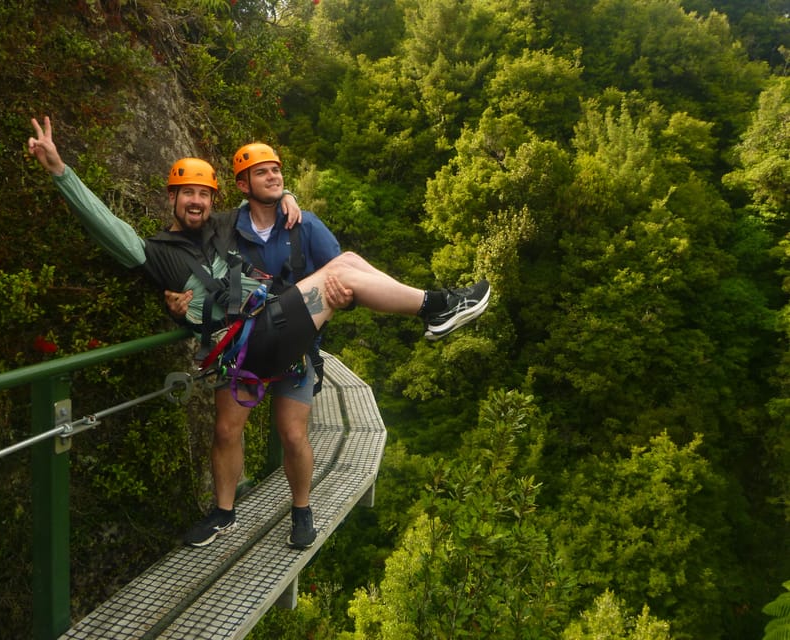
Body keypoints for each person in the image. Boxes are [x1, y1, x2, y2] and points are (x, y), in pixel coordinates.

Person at [27, 115, 491, 549]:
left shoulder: (222, 228)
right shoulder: (154, 253)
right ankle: (436, 307)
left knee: (344, 267)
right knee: (228, 429)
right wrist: (60, 172)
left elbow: (260, 197)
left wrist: (288, 196)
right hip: (248, 340)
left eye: (204, 194)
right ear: (171, 199)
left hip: (266, 331)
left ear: (214, 201)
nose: (197, 202)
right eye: (187, 194)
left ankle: (434, 307)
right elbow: (107, 226)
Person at [165, 142, 344, 549]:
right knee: (226, 430)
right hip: (245, 347)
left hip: (294, 345)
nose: (273, 177)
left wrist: (334, 303)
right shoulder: (225, 227)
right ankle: (223, 512)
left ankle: (302, 509)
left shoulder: (303, 225)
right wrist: (176, 303)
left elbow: (338, 271)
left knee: (293, 434)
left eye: (276, 170)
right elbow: (188, 236)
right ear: (243, 185)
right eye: (262, 172)